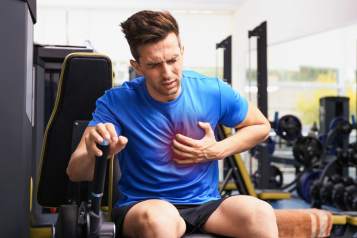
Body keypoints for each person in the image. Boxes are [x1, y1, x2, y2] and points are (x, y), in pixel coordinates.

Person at [67, 10, 278, 238]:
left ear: (182, 52)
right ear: (137, 67)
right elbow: (75, 172)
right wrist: (94, 152)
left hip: (206, 205)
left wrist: (218, 150)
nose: (167, 73)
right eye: (154, 65)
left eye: (173, 60)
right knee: (161, 221)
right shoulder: (116, 102)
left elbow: (261, 126)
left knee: (261, 213)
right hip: (146, 205)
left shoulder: (211, 90)